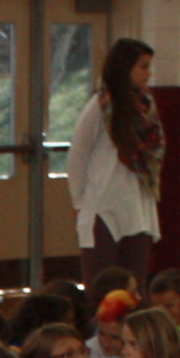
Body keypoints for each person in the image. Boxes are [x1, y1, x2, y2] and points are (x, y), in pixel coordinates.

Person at [67, 40, 163, 283]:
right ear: (124, 67)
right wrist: (80, 201)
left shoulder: (146, 107)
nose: (149, 74)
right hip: (103, 206)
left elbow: (152, 156)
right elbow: (78, 155)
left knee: (134, 287)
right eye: (143, 67)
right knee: (102, 287)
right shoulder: (100, 106)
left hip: (138, 207)